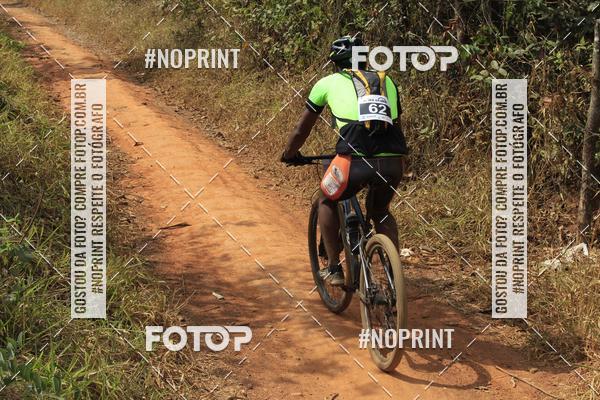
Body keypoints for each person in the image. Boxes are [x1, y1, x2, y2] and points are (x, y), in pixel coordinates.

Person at [281, 36, 408, 286]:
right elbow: (397, 125)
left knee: (326, 199)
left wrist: (289, 153)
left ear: (335, 63)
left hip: (353, 162)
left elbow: (301, 129)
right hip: (392, 162)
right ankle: (395, 278)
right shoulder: (387, 82)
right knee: (381, 212)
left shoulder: (327, 83)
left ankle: (334, 268)